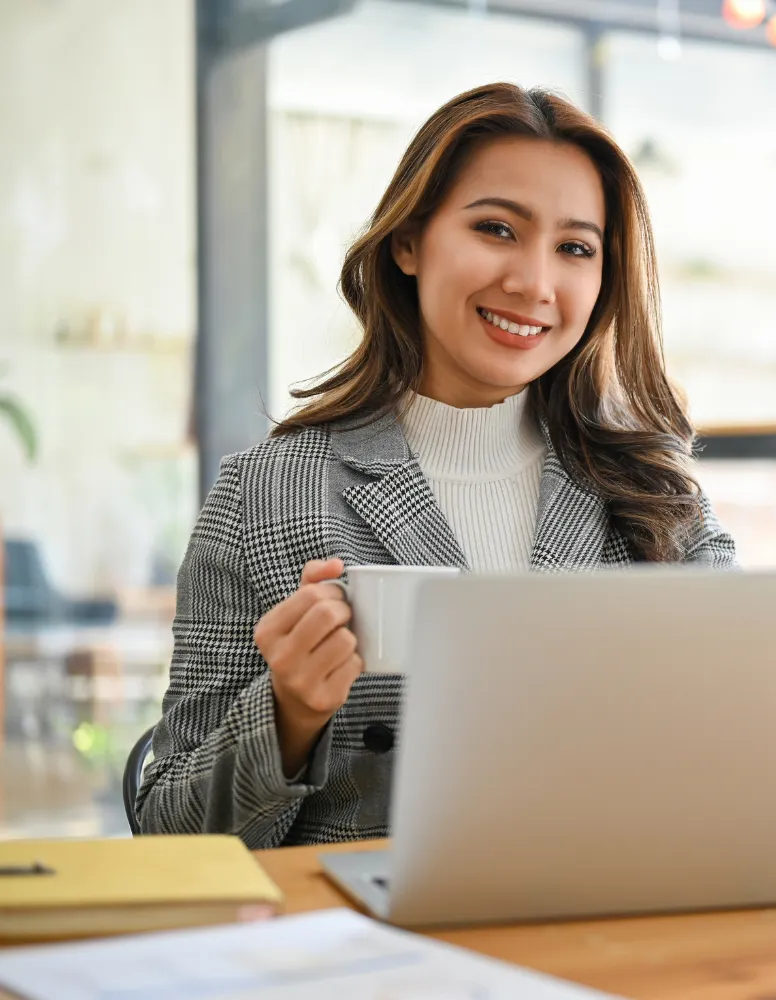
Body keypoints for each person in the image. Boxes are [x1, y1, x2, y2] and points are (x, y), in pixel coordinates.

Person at [138, 84, 736, 848]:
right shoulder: (266, 495)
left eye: (575, 248)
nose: (534, 282)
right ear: (409, 242)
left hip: (609, 921)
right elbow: (166, 835)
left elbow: (739, 736)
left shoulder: (654, 491)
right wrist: (287, 714)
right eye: (496, 229)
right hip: (362, 949)